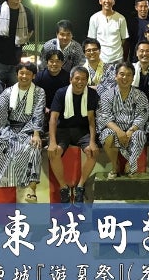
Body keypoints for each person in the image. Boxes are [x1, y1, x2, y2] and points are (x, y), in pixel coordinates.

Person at [0, 62, 46, 203]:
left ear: (33, 76)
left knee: (33, 148)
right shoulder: (9, 91)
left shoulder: (39, 92)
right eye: (21, 73)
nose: (24, 76)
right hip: (10, 128)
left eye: (28, 74)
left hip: (28, 129)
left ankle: (31, 189)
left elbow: (38, 113)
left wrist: (36, 134)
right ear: (17, 74)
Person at [48, 66, 100, 203]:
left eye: (83, 79)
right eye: (77, 78)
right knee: (54, 152)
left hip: (82, 131)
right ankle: (63, 187)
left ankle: (80, 186)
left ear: (87, 81)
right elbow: (53, 118)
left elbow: (91, 119)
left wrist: (92, 142)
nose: (80, 82)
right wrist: (52, 142)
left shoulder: (91, 94)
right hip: (63, 130)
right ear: (70, 79)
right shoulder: (61, 93)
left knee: (92, 152)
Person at [97, 62, 149, 178]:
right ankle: (114, 166)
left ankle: (131, 163)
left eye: (129, 75)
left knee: (140, 135)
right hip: (114, 129)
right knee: (107, 135)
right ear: (116, 76)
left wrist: (131, 130)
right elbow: (104, 116)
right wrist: (119, 131)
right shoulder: (107, 95)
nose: (125, 77)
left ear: (133, 77)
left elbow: (142, 115)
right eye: (122, 74)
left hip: (133, 129)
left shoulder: (140, 95)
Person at [87, 0, 129, 64]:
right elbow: (92, 40)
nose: (107, 1)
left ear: (114, 2)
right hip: (100, 58)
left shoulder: (121, 18)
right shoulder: (94, 18)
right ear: (100, 1)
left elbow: (124, 39)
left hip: (117, 58)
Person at [34, 50, 70, 128]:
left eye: (57, 61)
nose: (54, 64)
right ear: (47, 63)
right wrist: (45, 108)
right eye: (51, 61)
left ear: (62, 63)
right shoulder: (40, 77)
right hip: (43, 109)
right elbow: (35, 97)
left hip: (61, 110)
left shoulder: (68, 77)